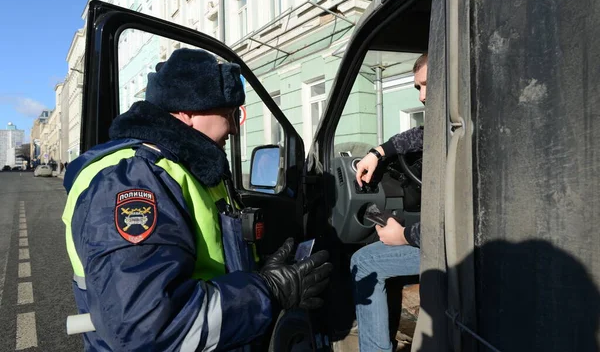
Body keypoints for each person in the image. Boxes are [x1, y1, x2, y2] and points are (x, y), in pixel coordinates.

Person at [62, 48, 332, 351]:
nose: (233, 126)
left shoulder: (188, 167)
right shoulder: (134, 180)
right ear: (187, 112)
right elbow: (149, 327)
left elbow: (206, 263)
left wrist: (261, 270)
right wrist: (268, 291)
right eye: (227, 114)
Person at [350, 53, 427, 352]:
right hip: (449, 239)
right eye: (417, 88)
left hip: (455, 247)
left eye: (428, 85)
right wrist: (377, 153)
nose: (422, 97)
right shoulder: (450, 126)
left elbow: (457, 222)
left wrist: (405, 235)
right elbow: (416, 137)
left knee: (364, 261)